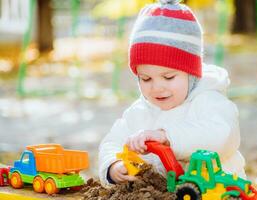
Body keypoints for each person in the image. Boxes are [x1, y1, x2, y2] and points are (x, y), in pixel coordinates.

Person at [98, 0, 246, 186]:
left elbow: (222, 135)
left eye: (168, 77)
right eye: (146, 79)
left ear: (191, 74)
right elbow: (112, 141)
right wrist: (113, 165)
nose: (157, 87)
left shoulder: (209, 100)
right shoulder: (140, 111)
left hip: (215, 189)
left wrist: (168, 136)